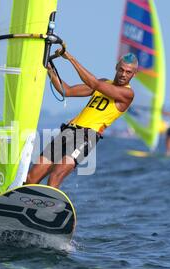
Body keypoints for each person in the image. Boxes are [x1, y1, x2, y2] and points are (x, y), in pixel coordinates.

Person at [26, 52, 138, 189]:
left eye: (128, 72)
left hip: (85, 137)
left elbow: (94, 83)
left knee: (55, 177)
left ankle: (49, 208)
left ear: (134, 74)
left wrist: (71, 58)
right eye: (121, 70)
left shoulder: (128, 94)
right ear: (116, 67)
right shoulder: (104, 82)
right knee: (30, 178)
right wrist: (49, 69)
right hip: (67, 132)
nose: (123, 74)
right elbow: (66, 91)